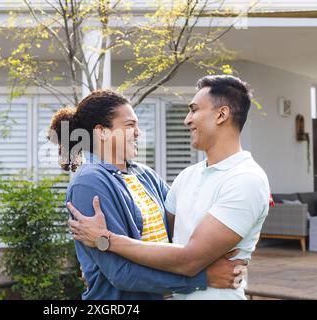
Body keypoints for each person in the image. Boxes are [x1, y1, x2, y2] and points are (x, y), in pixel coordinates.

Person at [68, 75, 270, 300]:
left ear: (222, 114)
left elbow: (175, 244)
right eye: (130, 125)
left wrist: (105, 240)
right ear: (102, 132)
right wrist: (202, 278)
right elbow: (121, 273)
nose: (186, 120)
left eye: (194, 110)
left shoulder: (145, 175)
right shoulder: (90, 181)